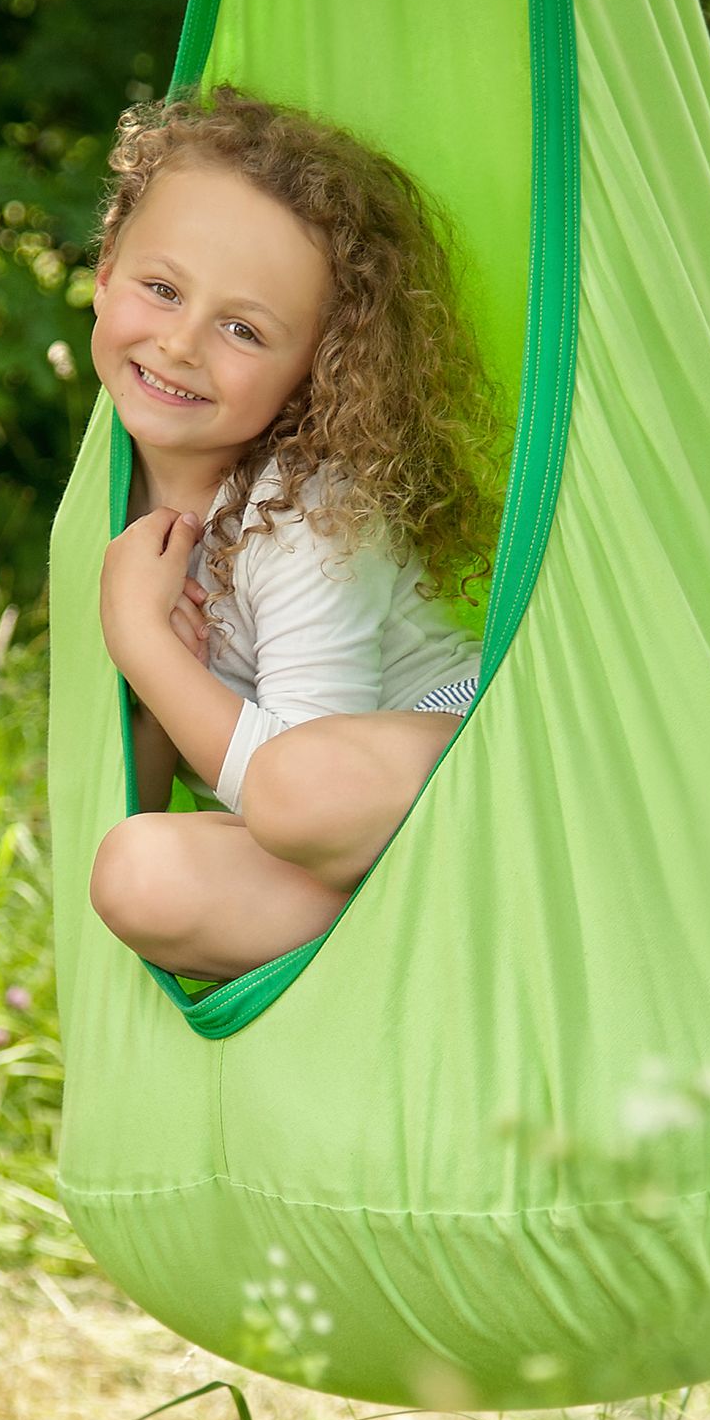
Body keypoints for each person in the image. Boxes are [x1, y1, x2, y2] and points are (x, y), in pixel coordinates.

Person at [86, 83, 506, 984]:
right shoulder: (108, 494)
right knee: (136, 871)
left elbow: (305, 795)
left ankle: (476, 911)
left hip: (463, 760)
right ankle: (410, 945)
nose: (181, 343)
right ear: (104, 274)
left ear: (318, 371)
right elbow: (142, 784)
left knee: (291, 787)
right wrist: (155, 671)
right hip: (328, 849)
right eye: (162, 289)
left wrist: (142, 644)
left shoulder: (310, 508)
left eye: (243, 328)